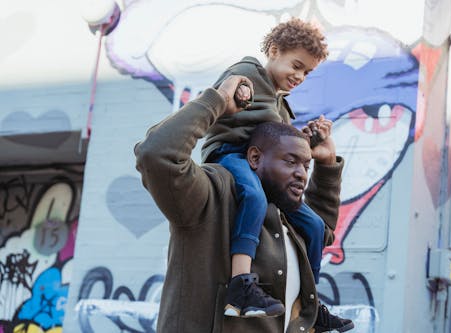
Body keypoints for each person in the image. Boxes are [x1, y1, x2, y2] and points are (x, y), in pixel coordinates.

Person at [134, 75, 350, 332]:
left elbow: (321, 231)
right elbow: (156, 155)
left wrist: (325, 166)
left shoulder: (288, 217)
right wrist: (218, 101)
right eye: (291, 162)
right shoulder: (213, 196)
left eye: (306, 165)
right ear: (255, 158)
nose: (302, 173)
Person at [202, 18, 353, 331]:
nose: (299, 76)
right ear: (274, 50)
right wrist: (233, 96)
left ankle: (311, 304)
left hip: (259, 166)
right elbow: (226, 103)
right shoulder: (246, 74)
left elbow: (275, 144)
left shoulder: (282, 105)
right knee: (254, 197)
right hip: (230, 155)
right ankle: (241, 284)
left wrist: (307, 142)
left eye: (307, 72)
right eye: (296, 66)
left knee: (312, 225)